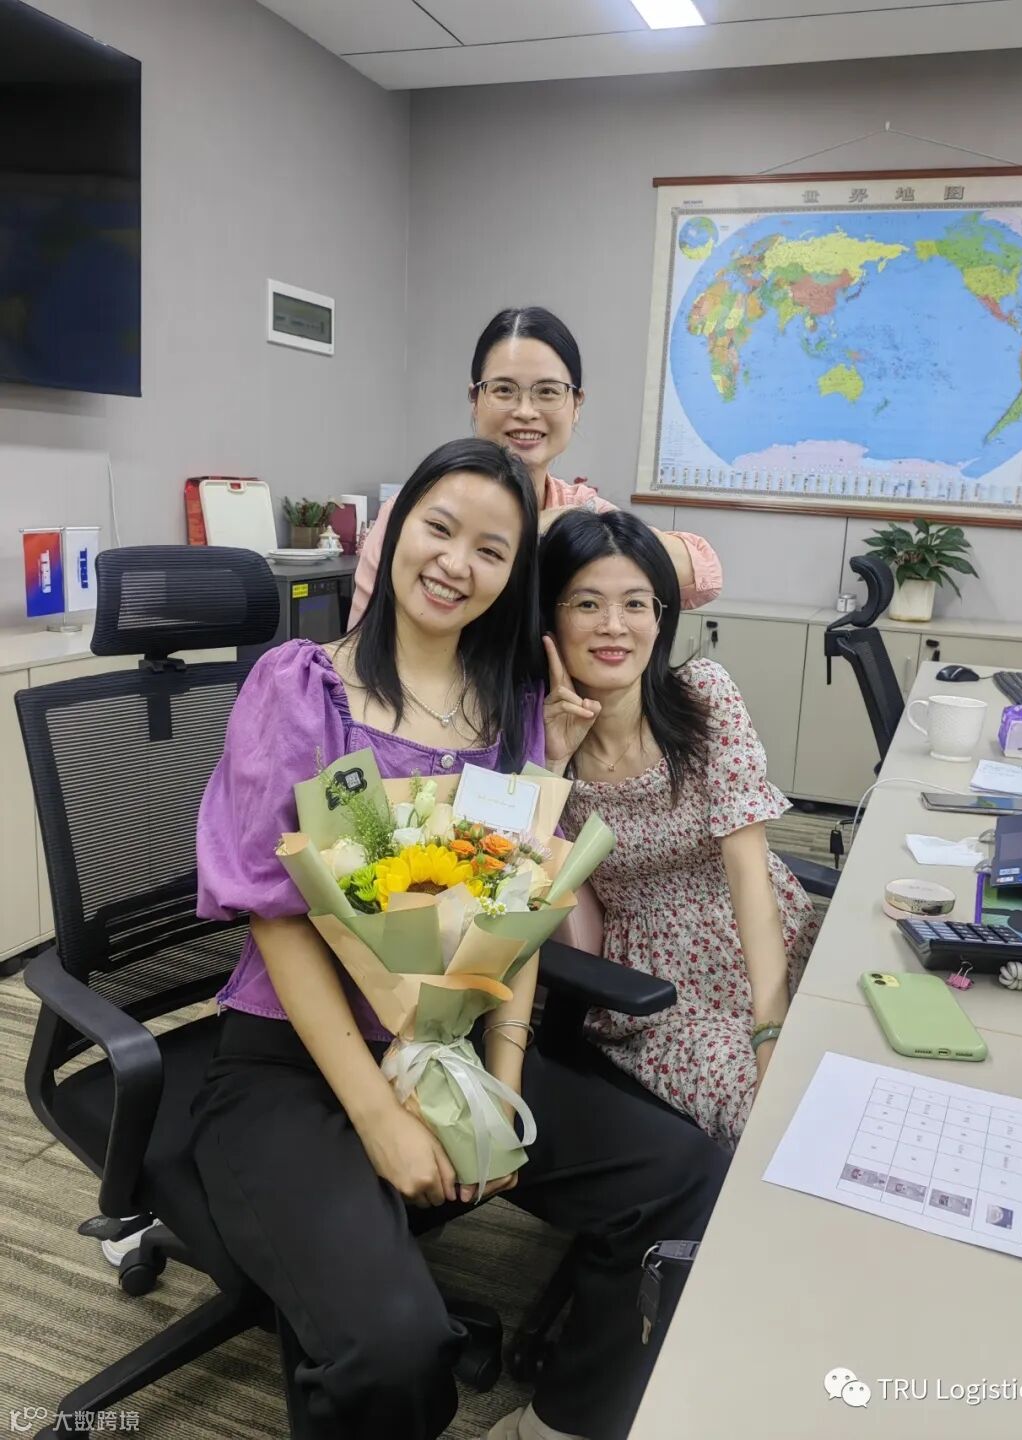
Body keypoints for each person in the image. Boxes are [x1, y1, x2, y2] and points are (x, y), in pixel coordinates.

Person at [193, 438, 728, 1440]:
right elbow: (279, 917)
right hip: (295, 1062)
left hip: (454, 1044)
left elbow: (509, 916)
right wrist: (379, 1115)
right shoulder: (301, 687)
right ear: (396, 532)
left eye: (491, 549)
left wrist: (504, 1090)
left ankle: (563, 1420)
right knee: (394, 1349)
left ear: (513, 577)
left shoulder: (511, 713)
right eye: (439, 529)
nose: (455, 563)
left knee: (685, 1176)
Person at [539, 508, 820, 1149]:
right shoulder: (537, 732)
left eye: (635, 604)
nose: (614, 626)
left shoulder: (702, 695)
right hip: (661, 988)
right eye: (588, 603)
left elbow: (749, 873)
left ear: (660, 618)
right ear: (551, 617)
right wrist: (552, 760)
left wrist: (770, 1029)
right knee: (770, 1122)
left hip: (766, 941)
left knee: (841, 1073)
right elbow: (514, 880)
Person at [348, 306, 722, 625]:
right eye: (504, 389)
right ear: (474, 400)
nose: (525, 411)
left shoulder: (578, 510)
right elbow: (364, 645)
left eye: (547, 391)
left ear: (576, 405)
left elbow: (703, 570)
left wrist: (563, 524)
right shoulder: (416, 511)